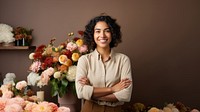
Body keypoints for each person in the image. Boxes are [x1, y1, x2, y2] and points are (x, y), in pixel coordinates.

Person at [75, 14, 133, 112]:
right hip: (90, 109)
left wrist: (91, 91)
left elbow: (125, 95)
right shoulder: (84, 60)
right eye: (98, 31)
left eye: (107, 31)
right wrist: (112, 89)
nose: (102, 35)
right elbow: (80, 92)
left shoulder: (123, 60)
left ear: (113, 33)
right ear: (92, 34)